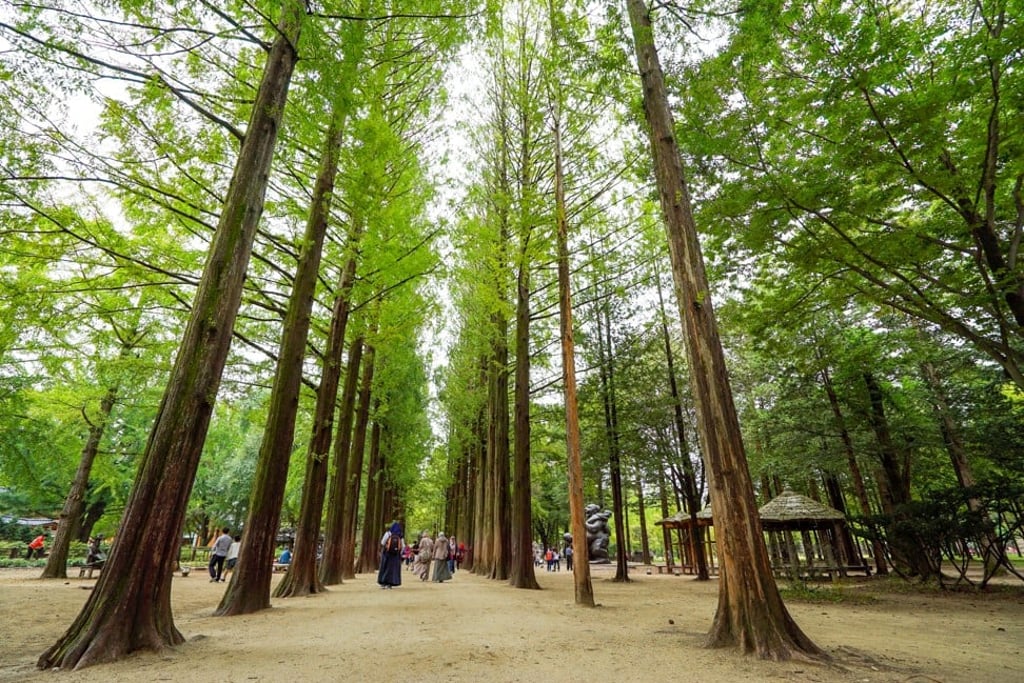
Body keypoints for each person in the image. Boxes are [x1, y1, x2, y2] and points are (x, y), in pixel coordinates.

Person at [377, 522, 404, 589]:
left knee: (385, 567)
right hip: (395, 555)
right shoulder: (400, 535)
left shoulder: (388, 533)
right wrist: (399, 552)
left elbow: (382, 542)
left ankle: (383, 582)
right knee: (393, 569)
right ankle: (390, 583)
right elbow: (403, 546)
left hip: (387, 553)